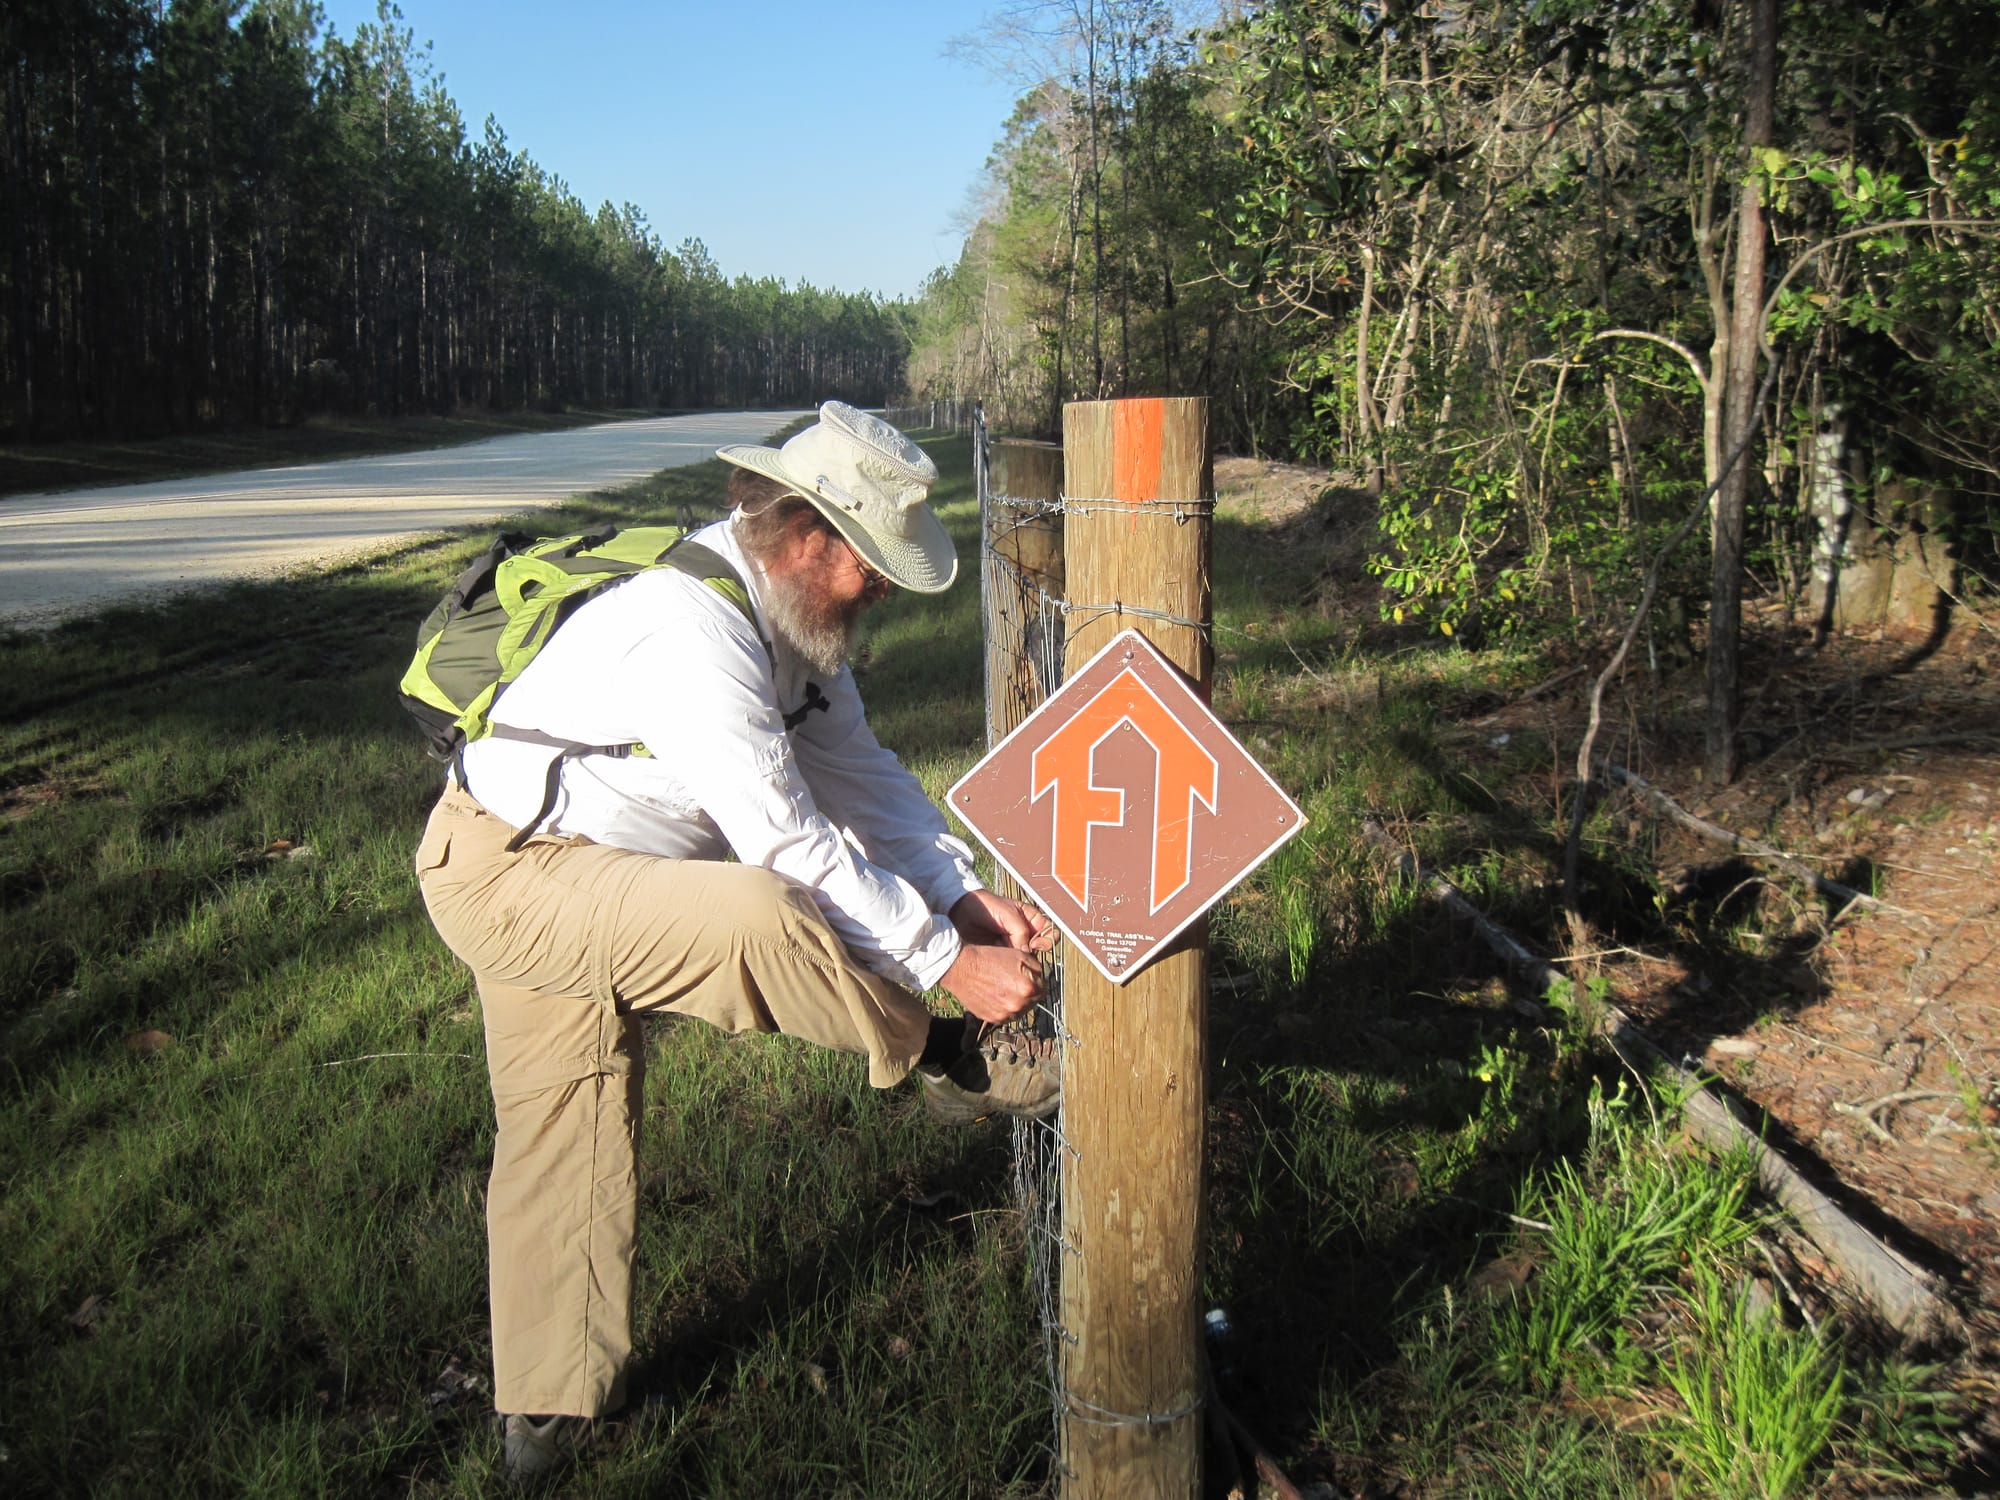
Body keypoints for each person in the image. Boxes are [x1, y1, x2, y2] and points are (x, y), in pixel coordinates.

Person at [413, 401, 1058, 1484]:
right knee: (758, 912)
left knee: (566, 1130)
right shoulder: (691, 628)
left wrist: (953, 894)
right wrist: (944, 967)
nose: (887, 590)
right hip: (506, 872)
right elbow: (788, 841)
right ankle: (951, 1056)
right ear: (808, 539)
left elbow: (860, 777)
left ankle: (550, 1418)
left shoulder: (800, 632)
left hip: (571, 865)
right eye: (875, 564)